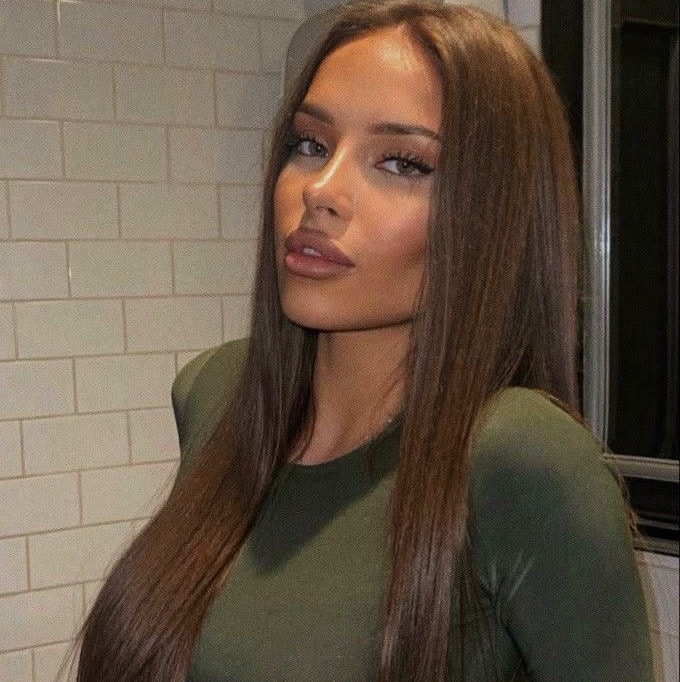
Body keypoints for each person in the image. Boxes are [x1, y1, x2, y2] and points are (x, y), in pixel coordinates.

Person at [75, 2, 654, 681]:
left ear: (492, 214)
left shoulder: (519, 458)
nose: (320, 191)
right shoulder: (217, 393)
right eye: (310, 145)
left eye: (403, 163)